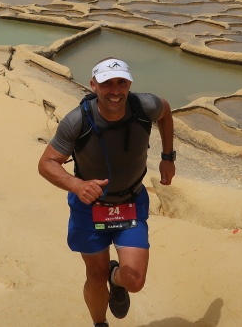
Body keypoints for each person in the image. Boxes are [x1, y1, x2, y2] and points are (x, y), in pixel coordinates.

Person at [38, 58, 175, 326]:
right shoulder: (77, 120)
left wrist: (168, 157)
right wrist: (77, 185)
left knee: (134, 281)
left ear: (130, 83)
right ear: (93, 85)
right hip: (90, 208)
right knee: (95, 276)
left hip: (130, 202)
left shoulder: (145, 106)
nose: (115, 90)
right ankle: (100, 323)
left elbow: (166, 111)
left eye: (121, 82)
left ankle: (117, 278)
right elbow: (46, 163)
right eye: (106, 83)